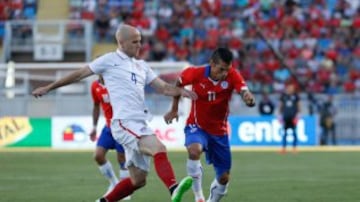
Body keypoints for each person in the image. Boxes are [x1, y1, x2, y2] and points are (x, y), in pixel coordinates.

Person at [32, 24, 198, 202]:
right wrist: (49, 87)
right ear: (121, 42)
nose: (139, 45)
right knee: (159, 148)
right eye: (135, 42)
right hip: (124, 122)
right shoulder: (109, 60)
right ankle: (174, 190)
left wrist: (181, 91)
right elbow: (79, 74)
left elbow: (163, 88)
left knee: (137, 180)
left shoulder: (142, 66)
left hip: (139, 123)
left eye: (140, 41)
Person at [164, 47, 256, 202]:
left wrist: (247, 97)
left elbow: (243, 89)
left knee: (224, 178)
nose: (224, 74)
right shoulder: (195, 73)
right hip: (197, 125)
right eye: (221, 69)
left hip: (219, 131)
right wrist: (174, 109)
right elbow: (177, 86)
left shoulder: (232, 74)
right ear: (211, 63)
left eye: (227, 70)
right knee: (194, 151)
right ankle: (198, 196)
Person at [89, 75, 130, 200]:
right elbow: (96, 105)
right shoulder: (95, 86)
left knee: (122, 160)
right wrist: (94, 127)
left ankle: (125, 192)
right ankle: (113, 183)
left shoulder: (117, 84)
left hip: (122, 127)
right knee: (98, 156)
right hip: (108, 127)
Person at [278, 82, 301, 153]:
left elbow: (298, 106)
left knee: (294, 133)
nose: (290, 89)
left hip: (293, 117)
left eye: (292, 88)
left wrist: (298, 115)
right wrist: (279, 115)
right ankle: (284, 148)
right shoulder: (283, 96)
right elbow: (281, 106)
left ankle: (294, 148)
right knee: (284, 133)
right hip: (285, 117)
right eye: (289, 88)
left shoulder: (296, 96)